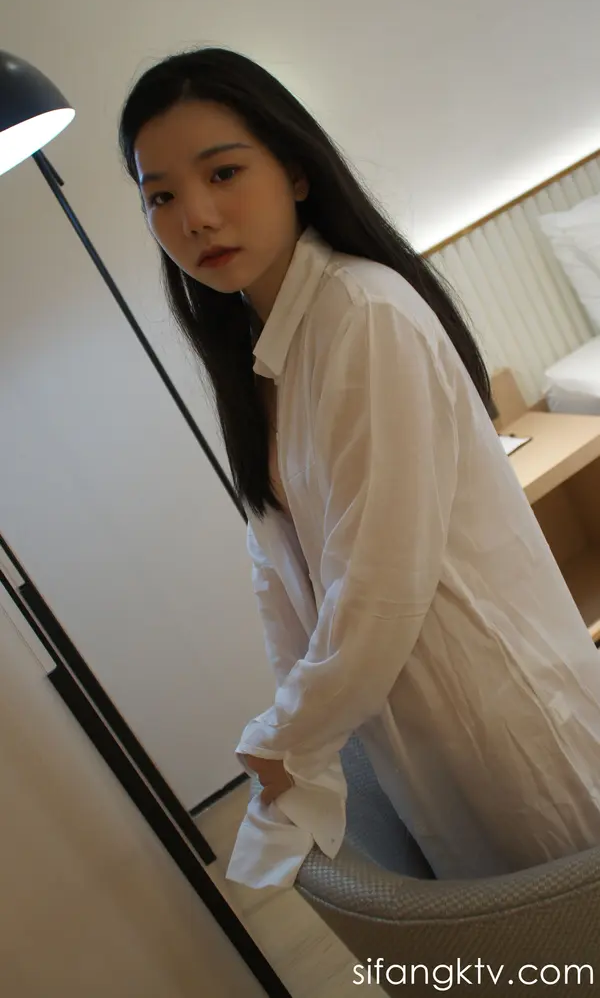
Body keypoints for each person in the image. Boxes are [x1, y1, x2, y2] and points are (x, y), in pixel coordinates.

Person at [119, 47, 600, 882]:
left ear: (296, 171)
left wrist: (288, 737)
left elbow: (379, 584)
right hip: (421, 727)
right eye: (160, 196)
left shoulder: (363, 313)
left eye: (223, 173)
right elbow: (282, 575)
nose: (194, 216)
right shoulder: (265, 356)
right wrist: (295, 729)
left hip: (503, 709)